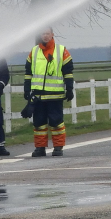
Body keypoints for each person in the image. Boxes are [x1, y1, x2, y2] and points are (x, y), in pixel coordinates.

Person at [24, 28, 73, 157]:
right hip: (38, 95)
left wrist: (69, 89)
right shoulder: (34, 51)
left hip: (55, 95)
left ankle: (58, 147)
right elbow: (28, 73)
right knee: (39, 123)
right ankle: (40, 148)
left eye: (47, 33)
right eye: (43, 34)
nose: (45, 36)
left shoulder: (62, 50)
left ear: (52, 34)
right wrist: (27, 89)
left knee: (56, 122)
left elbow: (68, 72)